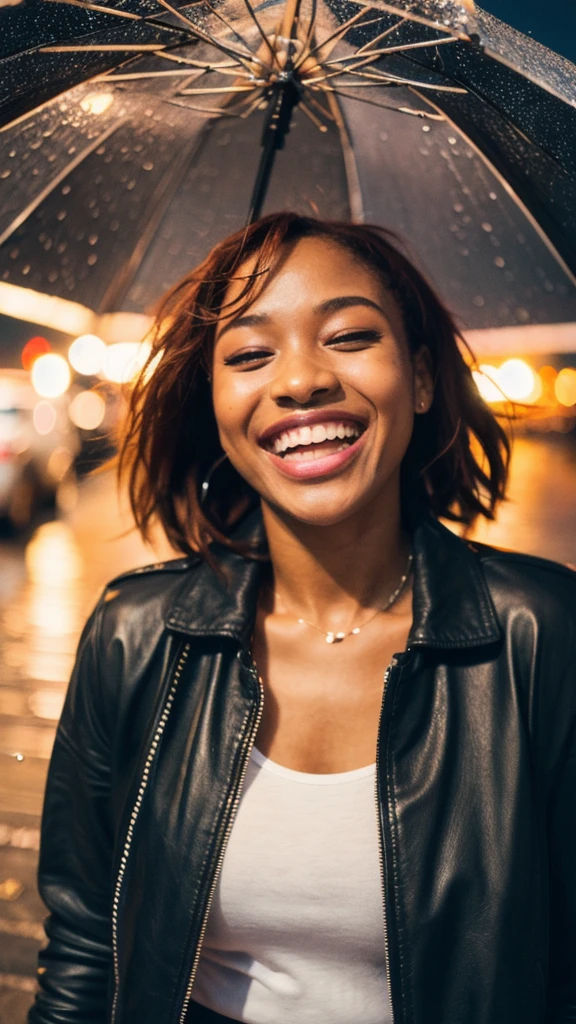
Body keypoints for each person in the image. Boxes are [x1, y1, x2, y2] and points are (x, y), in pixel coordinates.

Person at [29, 213, 576, 1024]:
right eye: (249, 353)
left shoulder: (540, 631)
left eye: (348, 337)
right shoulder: (134, 634)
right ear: (215, 404)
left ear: (421, 379)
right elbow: (84, 952)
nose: (299, 380)